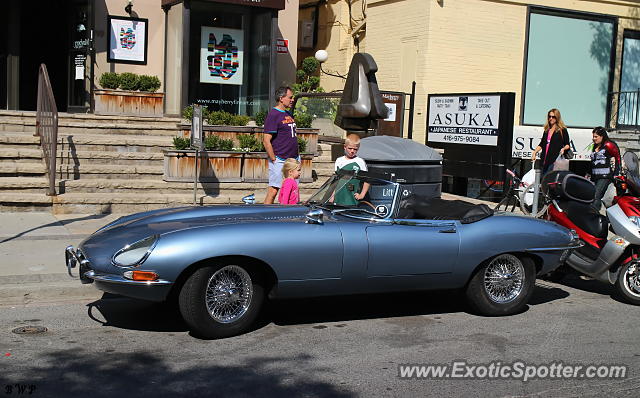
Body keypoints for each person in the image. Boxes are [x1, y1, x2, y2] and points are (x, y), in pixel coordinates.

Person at [263, 86, 299, 204]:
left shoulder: (288, 113)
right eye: (290, 97)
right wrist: (274, 159)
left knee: (293, 190)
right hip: (280, 158)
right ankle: (264, 217)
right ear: (281, 98)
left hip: (292, 159)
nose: (292, 100)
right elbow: (266, 140)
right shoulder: (273, 115)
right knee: (273, 191)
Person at [333, 133, 370, 205]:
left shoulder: (360, 162)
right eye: (350, 148)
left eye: (355, 149)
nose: (352, 151)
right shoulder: (339, 160)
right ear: (345, 147)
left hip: (352, 200)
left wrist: (362, 195)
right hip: (338, 198)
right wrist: (332, 196)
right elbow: (335, 180)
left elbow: (367, 180)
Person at [589, 126, 621, 211]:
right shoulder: (594, 146)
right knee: (591, 195)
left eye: (596, 137)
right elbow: (592, 162)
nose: (594, 139)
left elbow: (617, 157)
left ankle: (593, 215)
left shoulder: (608, 144)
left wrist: (617, 173)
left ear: (602, 136)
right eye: (593, 137)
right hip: (595, 176)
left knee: (596, 195)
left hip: (605, 176)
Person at [531, 108, 571, 175]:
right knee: (543, 181)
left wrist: (563, 149)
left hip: (555, 162)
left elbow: (567, 145)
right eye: (549, 116)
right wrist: (534, 152)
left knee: (550, 182)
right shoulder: (547, 130)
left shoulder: (562, 130)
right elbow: (542, 144)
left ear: (557, 118)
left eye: (553, 117)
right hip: (544, 161)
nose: (551, 118)